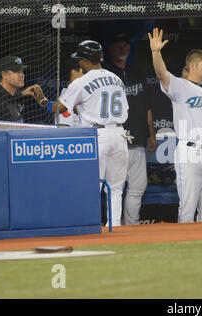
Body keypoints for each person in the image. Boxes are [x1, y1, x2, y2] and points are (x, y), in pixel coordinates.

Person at [29, 40, 130, 227]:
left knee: (94, 185)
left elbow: (58, 108)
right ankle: (114, 227)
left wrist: (42, 100)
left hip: (98, 135)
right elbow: (124, 108)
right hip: (120, 134)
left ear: (84, 62)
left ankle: (90, 225)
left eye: (80, 60)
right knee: (116, 188)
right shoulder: (117, 78)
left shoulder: (81, 82)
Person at [148, 27, 202, 223]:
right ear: (193, 66)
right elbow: (161, 73)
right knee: (187, 208)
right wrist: (156, 52)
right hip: (190, 152)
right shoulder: (179, 86)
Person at [103, 32, 157, 225]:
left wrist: (152, 134)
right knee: (111, 187)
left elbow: (147, 107)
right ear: (110, 49)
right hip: (116, 140)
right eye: (117, 44)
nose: (121, 48)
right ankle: (112, 224)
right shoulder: (106, 75)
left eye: (125, 44)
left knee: (137, 187)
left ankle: (132, 226)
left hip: (139, 140)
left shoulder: (138, 73)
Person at [0, 56, 42, 122]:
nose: (22, 75)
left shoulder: (10, 96)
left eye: (22, 72)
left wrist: (22, 93)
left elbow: (9, 96)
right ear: (4, 75)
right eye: (18, 72)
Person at [57, 58, 83, 127]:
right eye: (84, 72)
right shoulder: (66, 96)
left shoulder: (80, 94)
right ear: (74, 73)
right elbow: (63, 129)